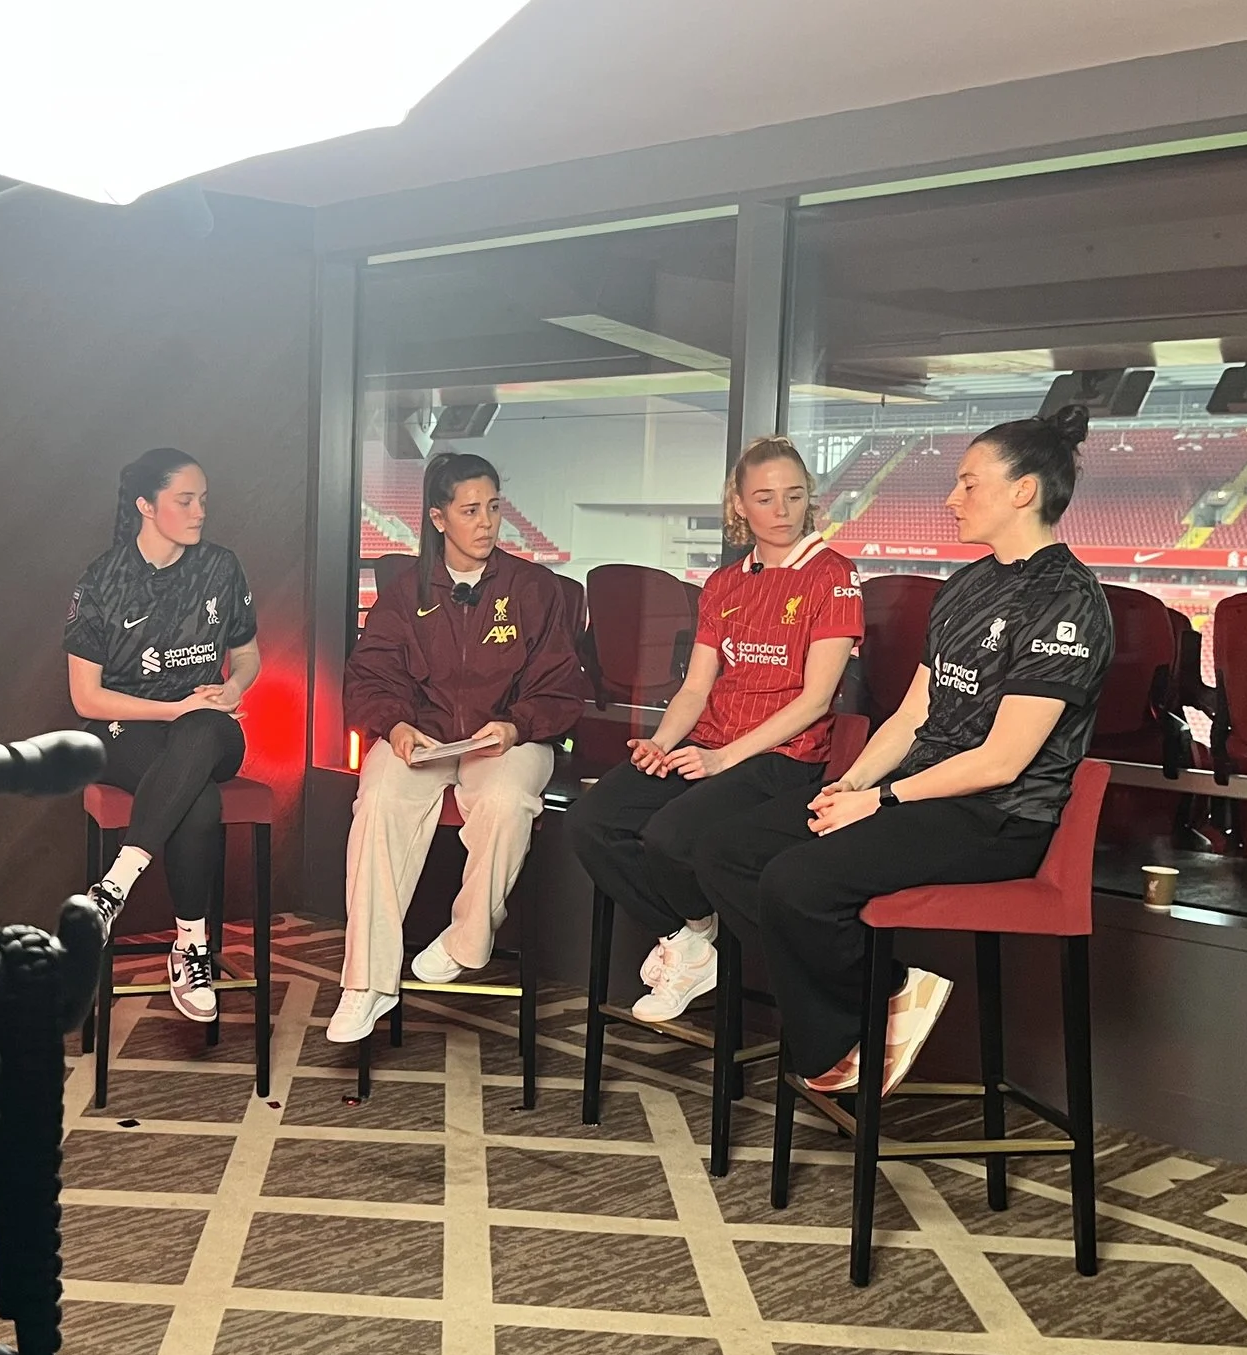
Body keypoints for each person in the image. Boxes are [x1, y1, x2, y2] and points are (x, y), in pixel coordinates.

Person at [694, 406, 1115, 1094]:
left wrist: (879, 800)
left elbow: (1002, 761)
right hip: (914, 795)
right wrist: (852, 784)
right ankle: (878, 998)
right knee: (722, 851)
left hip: (996, 816)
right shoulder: (965, 586)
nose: (951, 499)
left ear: (1023, 491)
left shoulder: (1067, 601)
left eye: (968, 483)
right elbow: (913, 712)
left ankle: (847, 1030)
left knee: (797, 881)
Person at [569, 438, 861, 1023]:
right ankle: (691, 937)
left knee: (669, 836)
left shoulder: (834, 576)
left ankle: (699, 942)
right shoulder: (724, 583)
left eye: (794, 496)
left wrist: (724, 759)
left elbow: (816, 700)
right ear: (739, 505)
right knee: (593, 820)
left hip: (780, 758)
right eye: (764, 498)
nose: (781, 510)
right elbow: (696, 688)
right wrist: (662, 742)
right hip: (706, 748)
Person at [331, 451, 585, 1044]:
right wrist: (394, 727)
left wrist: (517, 725)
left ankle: (467, 936)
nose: (486, 522)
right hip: (425, 737)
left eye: (494, 507)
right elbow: (369, 676)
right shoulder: (402, 592)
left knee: (504, 803)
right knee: (377, 803)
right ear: (438, 518)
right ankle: (366, 983)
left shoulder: (535, 588)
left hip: (507, 739)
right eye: (470, 510)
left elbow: (562, 687)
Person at [67, 447, 259, 1022]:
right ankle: (190, 946)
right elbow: (86, 697)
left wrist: (234, 689)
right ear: (147, 506)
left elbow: (247, 655)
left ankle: (113, 890)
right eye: (186, 499)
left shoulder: (222, 567)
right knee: (194, 795)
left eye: (203, 499)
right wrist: (173, 709)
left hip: (208, 729)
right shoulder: (103, 579)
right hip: (126, 729)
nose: (200, 511)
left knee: (200, 735)